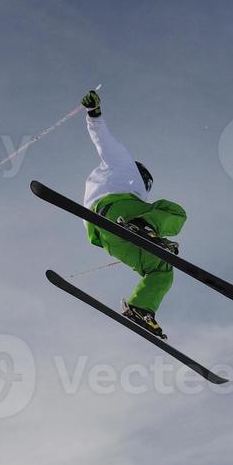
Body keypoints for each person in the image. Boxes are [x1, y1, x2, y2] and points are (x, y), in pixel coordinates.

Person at [79, 89, 187, 339]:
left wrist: (157, 243)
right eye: (146, 183)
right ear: (142, 174)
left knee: (162, 268)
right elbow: (104, 141)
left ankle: (141, 308)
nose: (146, 189)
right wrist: (94, 115)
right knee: (175, 212)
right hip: (117, 210)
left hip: (108, 236)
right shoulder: (124, 166)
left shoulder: (122, 187)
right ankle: (142, 226)